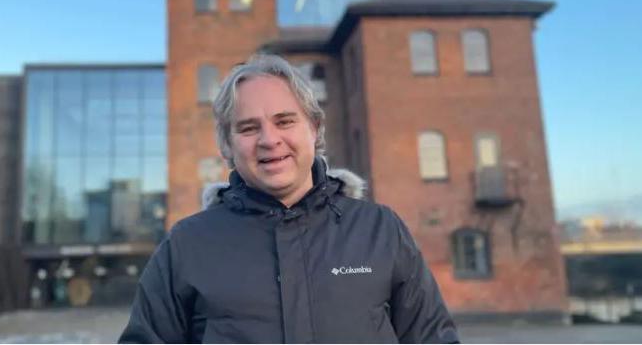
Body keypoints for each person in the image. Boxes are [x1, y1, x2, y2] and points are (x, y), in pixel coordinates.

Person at [119, 54, 459, 343]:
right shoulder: (187, 245)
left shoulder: (379, 230)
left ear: (314, 128)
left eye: (285, 121)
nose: (269, 139)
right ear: (227, 144)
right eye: (249, 128)